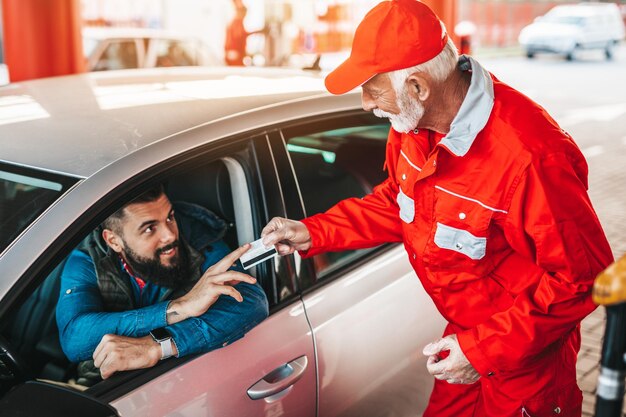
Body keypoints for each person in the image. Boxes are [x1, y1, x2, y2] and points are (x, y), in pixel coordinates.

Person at [261, 1, 613, 416]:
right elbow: (399, 202)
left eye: (372, 88)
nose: (364, 103)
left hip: (524, 361)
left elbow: (583, 278)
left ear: (418, 87)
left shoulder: (531, 155)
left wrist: (481, 350)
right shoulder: (414, 126)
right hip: (465, 340)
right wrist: (315, 231)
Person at [57, 185, 268, 384]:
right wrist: (178, 308)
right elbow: (75, 338)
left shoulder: (200, 240)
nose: (169, 234)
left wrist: (157, 345)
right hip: (107, 385)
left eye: (170, 217)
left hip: (187, 381)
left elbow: (250, 301)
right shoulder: (88, 259)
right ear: (113, 241)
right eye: (150, 229)